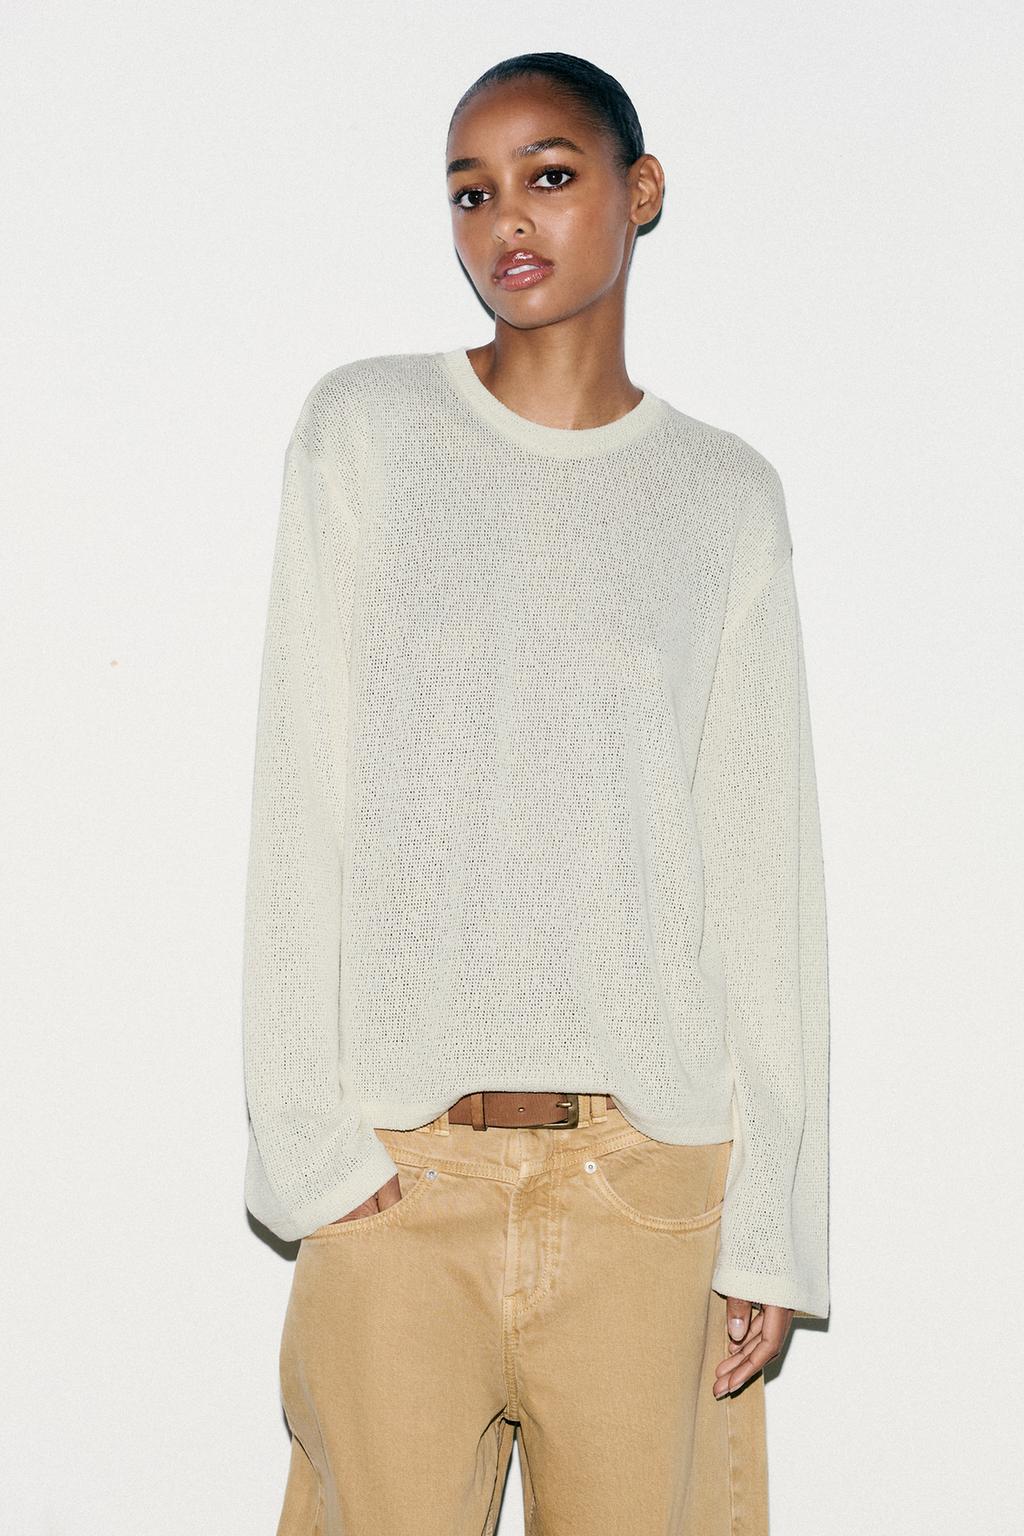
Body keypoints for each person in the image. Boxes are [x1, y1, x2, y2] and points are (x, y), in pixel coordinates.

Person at [242, 50, 830, 1536]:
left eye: (550, 175)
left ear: (640, 191)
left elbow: (763, 873)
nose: (505, 217)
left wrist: (771, 1225)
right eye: (471, 191)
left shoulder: (723, 498)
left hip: (650, 1193)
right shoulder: (366, 433)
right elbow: (300, 802)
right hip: (398, 1176)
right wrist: (311, 1150)